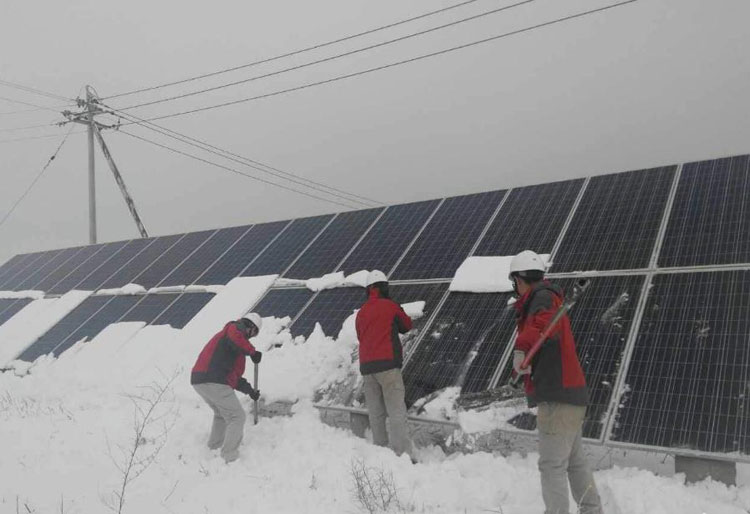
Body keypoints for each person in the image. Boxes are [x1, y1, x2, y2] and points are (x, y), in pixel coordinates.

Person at [509, 250, 602, 514]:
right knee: (574, 462)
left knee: (552, 466)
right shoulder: (549, 298)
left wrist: (521, 349)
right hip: (571, 393)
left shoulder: (542, 298)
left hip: (558, 396)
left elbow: (541, 325)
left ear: (519, 279)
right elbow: (544, 330)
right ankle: (593, 510)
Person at [355, 270, 415, 460]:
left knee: (376, 412)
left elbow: (360, 336)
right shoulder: (391, 306)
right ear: (384, 287)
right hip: (388, 366)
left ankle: (380, 451)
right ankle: (401, 455)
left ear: (369, 290)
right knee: (396, 410)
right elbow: (406, 325)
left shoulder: (361, 312)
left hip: (367, 369)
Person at [191, 314, 263, 463]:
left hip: (200, 379)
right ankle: (229, 456)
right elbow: (235, 337)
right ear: (250, 327)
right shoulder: (233, 329)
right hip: (213, 378)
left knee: (221, 414)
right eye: (254, 333)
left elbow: (234, 377)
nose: (253, 337)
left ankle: (214, 447)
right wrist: (252, 352)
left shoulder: (235, 348)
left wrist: (250, 391)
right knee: (237, 417)